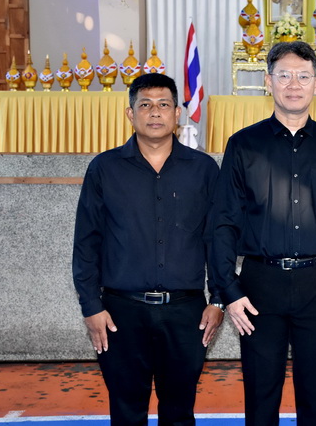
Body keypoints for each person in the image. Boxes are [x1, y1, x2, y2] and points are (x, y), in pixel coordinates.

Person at [210, 41, 316, 426]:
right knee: (260, 394)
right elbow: (223, 221)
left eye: (303, 76)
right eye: (284, 75)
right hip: (259, 285)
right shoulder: (243, 145)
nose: (293, 84)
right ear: (268, 82)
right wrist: (228, 290)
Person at [72, 73, 223, 426]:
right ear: (130, 113)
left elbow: (217, 239)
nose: (155, 112)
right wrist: (91, 306)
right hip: (120, 314)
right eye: (145, 105)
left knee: (179, 413)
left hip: (186, 313)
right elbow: (86, 242)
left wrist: (218, 300)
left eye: (164, 104)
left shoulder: (203, 169)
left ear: (177, 113)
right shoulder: (105, 168)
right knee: (126, 412)